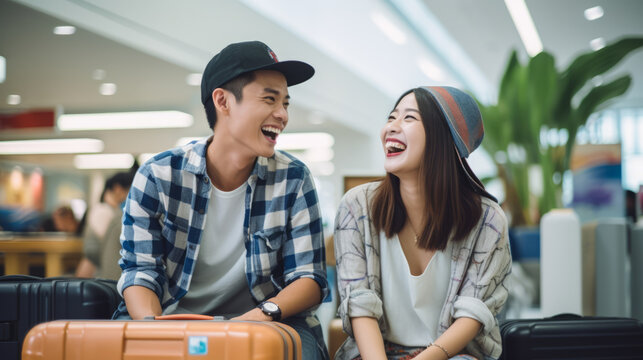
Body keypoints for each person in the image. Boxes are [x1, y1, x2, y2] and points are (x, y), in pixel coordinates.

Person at [114, 41, 329, 359]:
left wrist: (256, 319)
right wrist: (155, 332)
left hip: (266, 321)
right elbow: (140, 272)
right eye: (270, 99)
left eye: (285, 103)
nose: (282, 115)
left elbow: (309, 277)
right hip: (172, 319)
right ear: (223, 101)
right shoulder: (159, 175)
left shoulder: (293, 177)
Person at [334, 86, 512, 360]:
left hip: (451, 355)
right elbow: (360, 306)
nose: (391, 128)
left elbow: (472, 314)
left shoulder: (487, 220)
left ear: (444, 138)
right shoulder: (357, 207)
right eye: (391, 117)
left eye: (408, 118)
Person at [75, 171, 134, 280]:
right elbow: (108, 245)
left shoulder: (112, 211)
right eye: (130, 190)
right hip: (95, 272)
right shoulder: (103, 211)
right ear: (117, 188)